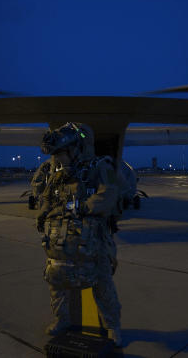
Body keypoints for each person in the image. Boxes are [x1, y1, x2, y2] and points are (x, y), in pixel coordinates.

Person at [36, 122, 122, 347]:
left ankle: (112, 326)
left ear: (75, 149)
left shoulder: (102, 166)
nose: (58, 160)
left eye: (61, 155)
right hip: (63, 239)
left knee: (102, 281)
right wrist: (42, 214)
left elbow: (110, 194)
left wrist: (81, 207)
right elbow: (47, 197)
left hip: (95, 238)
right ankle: (62, 320)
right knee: (56, 279)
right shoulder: (58, 174)